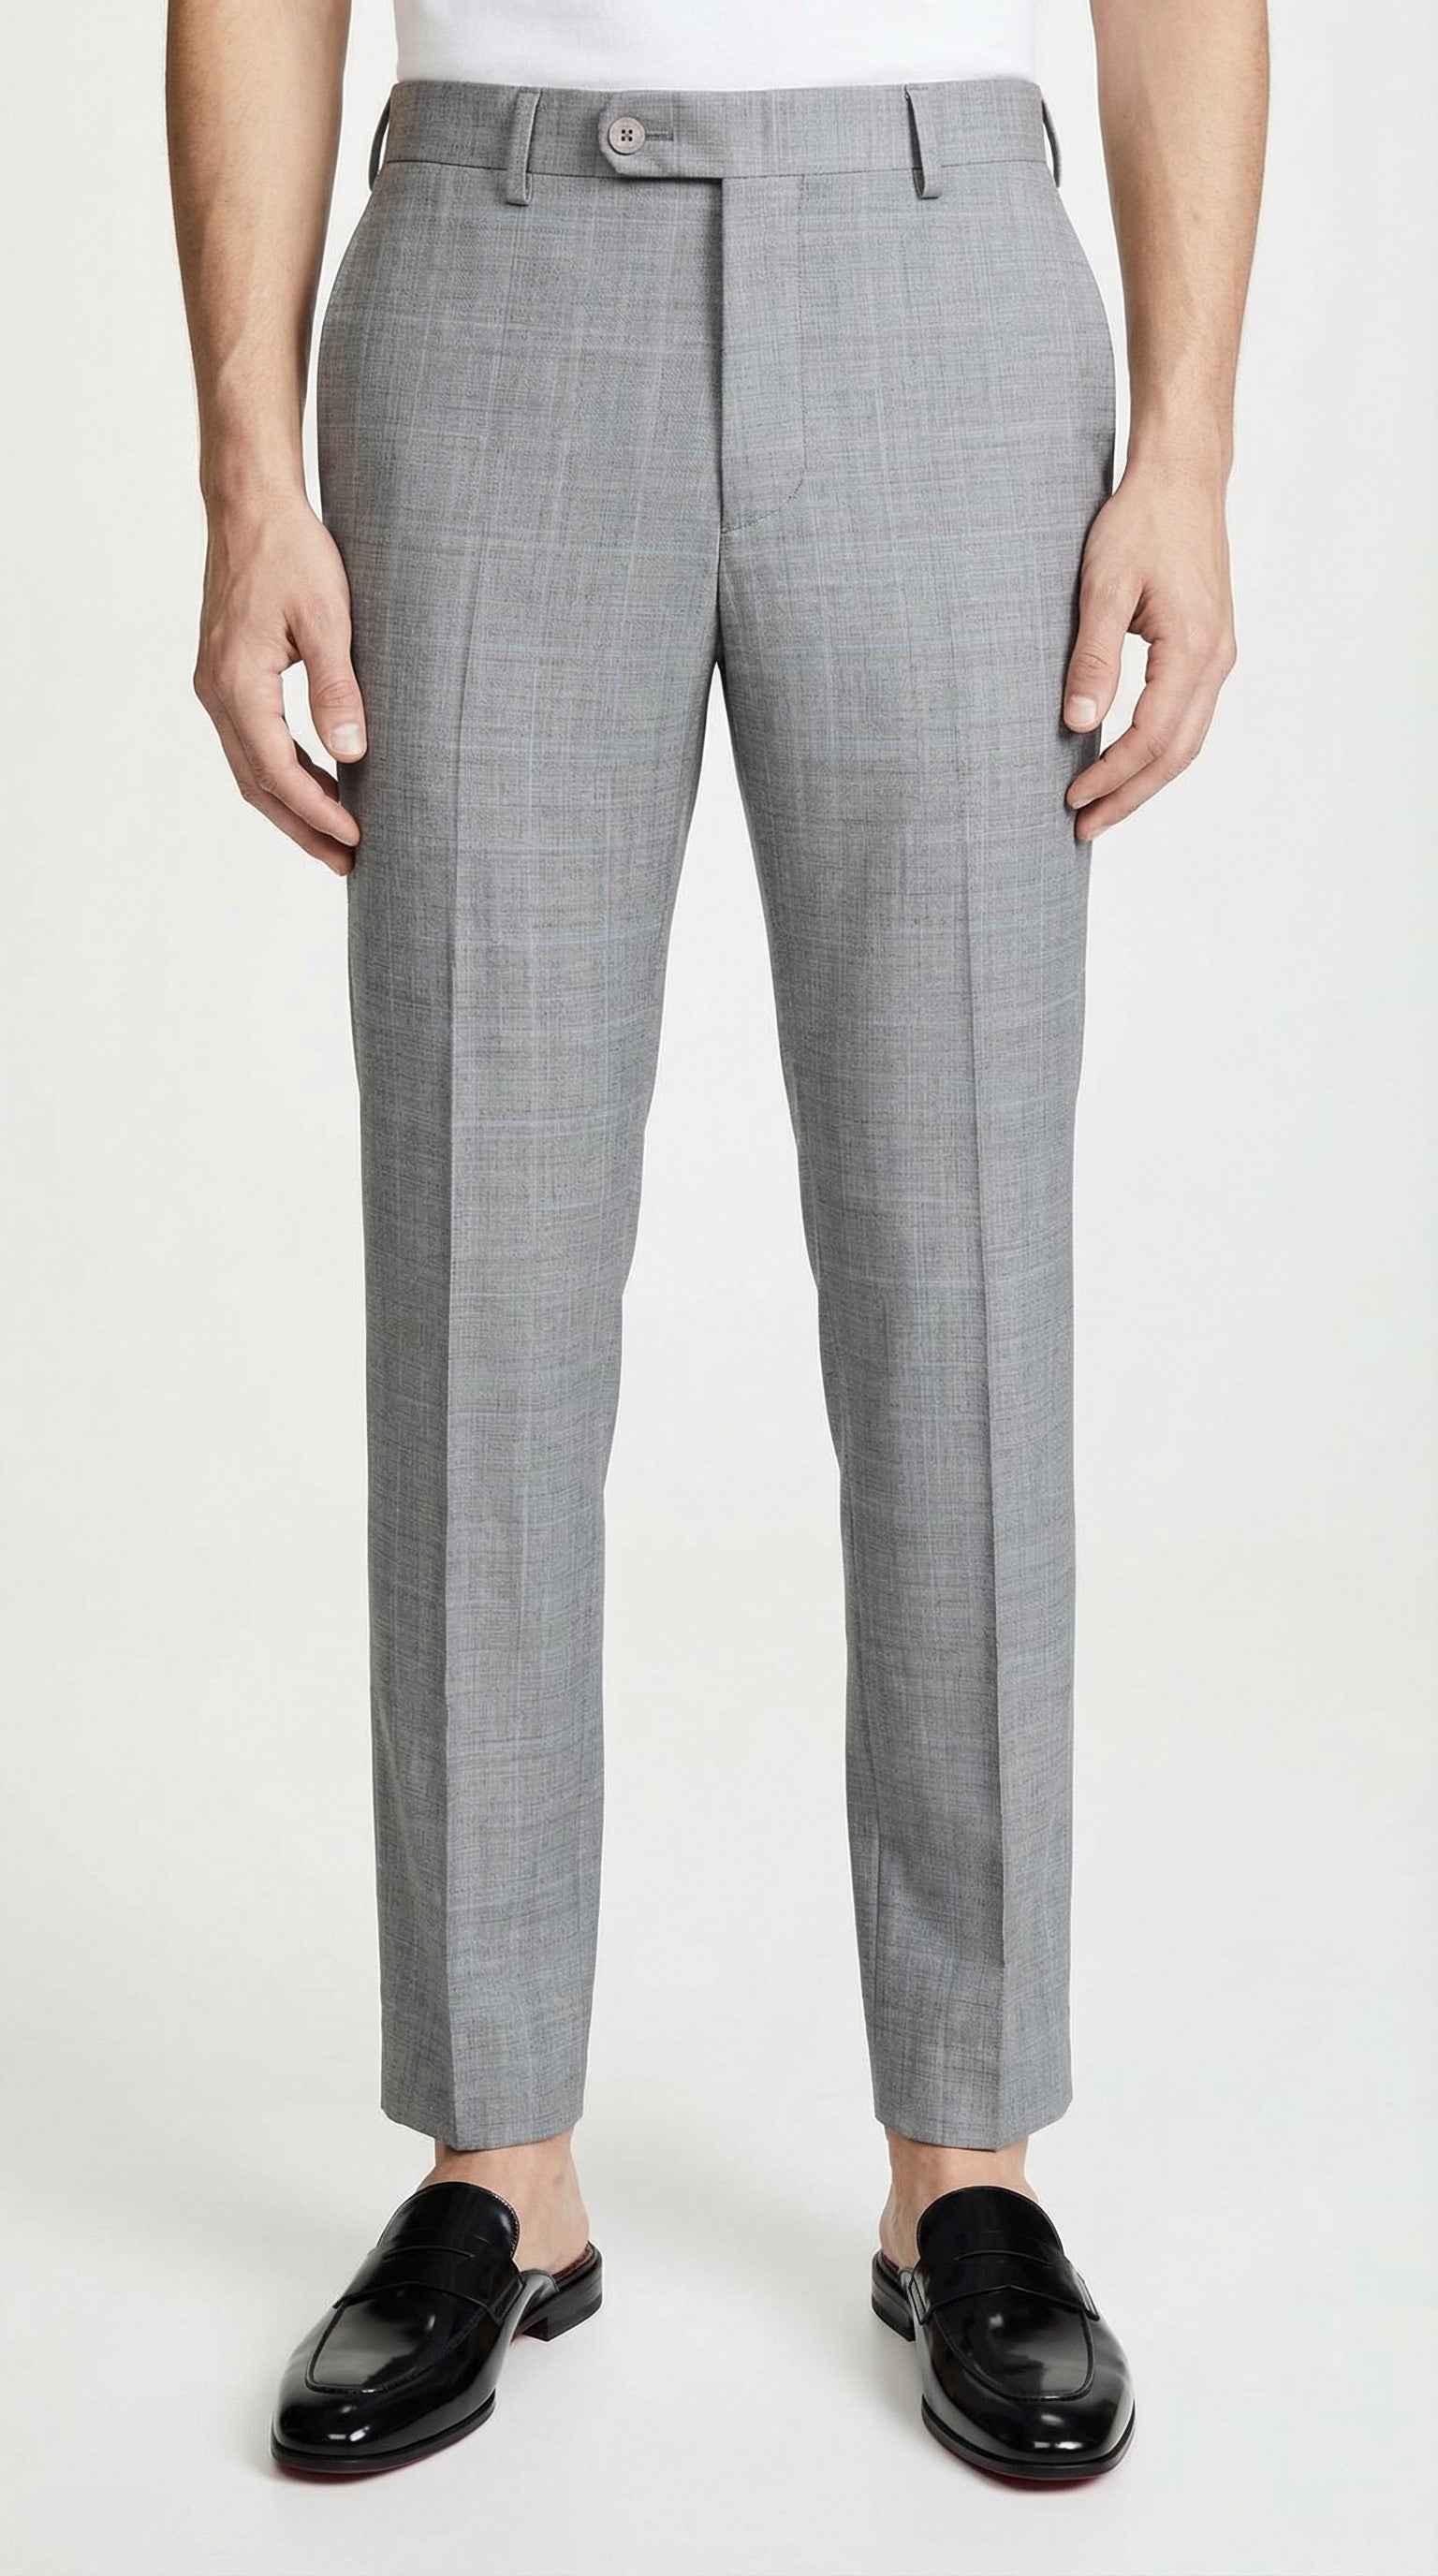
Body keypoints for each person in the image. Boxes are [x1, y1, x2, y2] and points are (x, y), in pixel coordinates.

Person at [167, 0, 1266, 2485]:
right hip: (490, 277)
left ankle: (969, 2163)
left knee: (960, 1271)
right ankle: (495, 2161)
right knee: (481, 1274)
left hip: (939, 274)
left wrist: (1188, 450)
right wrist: (248, 476)